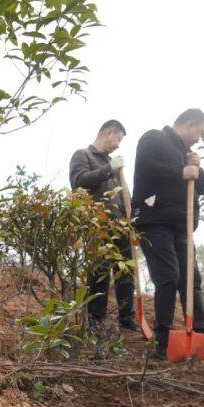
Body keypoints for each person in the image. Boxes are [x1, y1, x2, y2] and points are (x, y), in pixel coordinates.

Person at [133, 108, 204, 359]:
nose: (200, 137)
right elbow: (147, 166)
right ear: (189, 124)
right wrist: (180, 171)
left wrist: (195, 166)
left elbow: (203, 185)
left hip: (182, 225)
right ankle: (163, 339)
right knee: (168, 276)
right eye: (201, 131)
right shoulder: (154, 138)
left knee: (191, 279)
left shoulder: (186, 153)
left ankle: (202, 334)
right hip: (154, 220)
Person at [70, 119, 136, 331]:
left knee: (126, 273)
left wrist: (131, 215)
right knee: (99, 273)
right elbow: (79, 181)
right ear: (108, 133)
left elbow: (123, 195)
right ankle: (95, 321)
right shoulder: (83, 155)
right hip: (97, 225)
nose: (117, 145)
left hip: (120, 225)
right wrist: (109, 169)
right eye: (117, 139)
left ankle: (127, 319)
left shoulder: (114, 165)